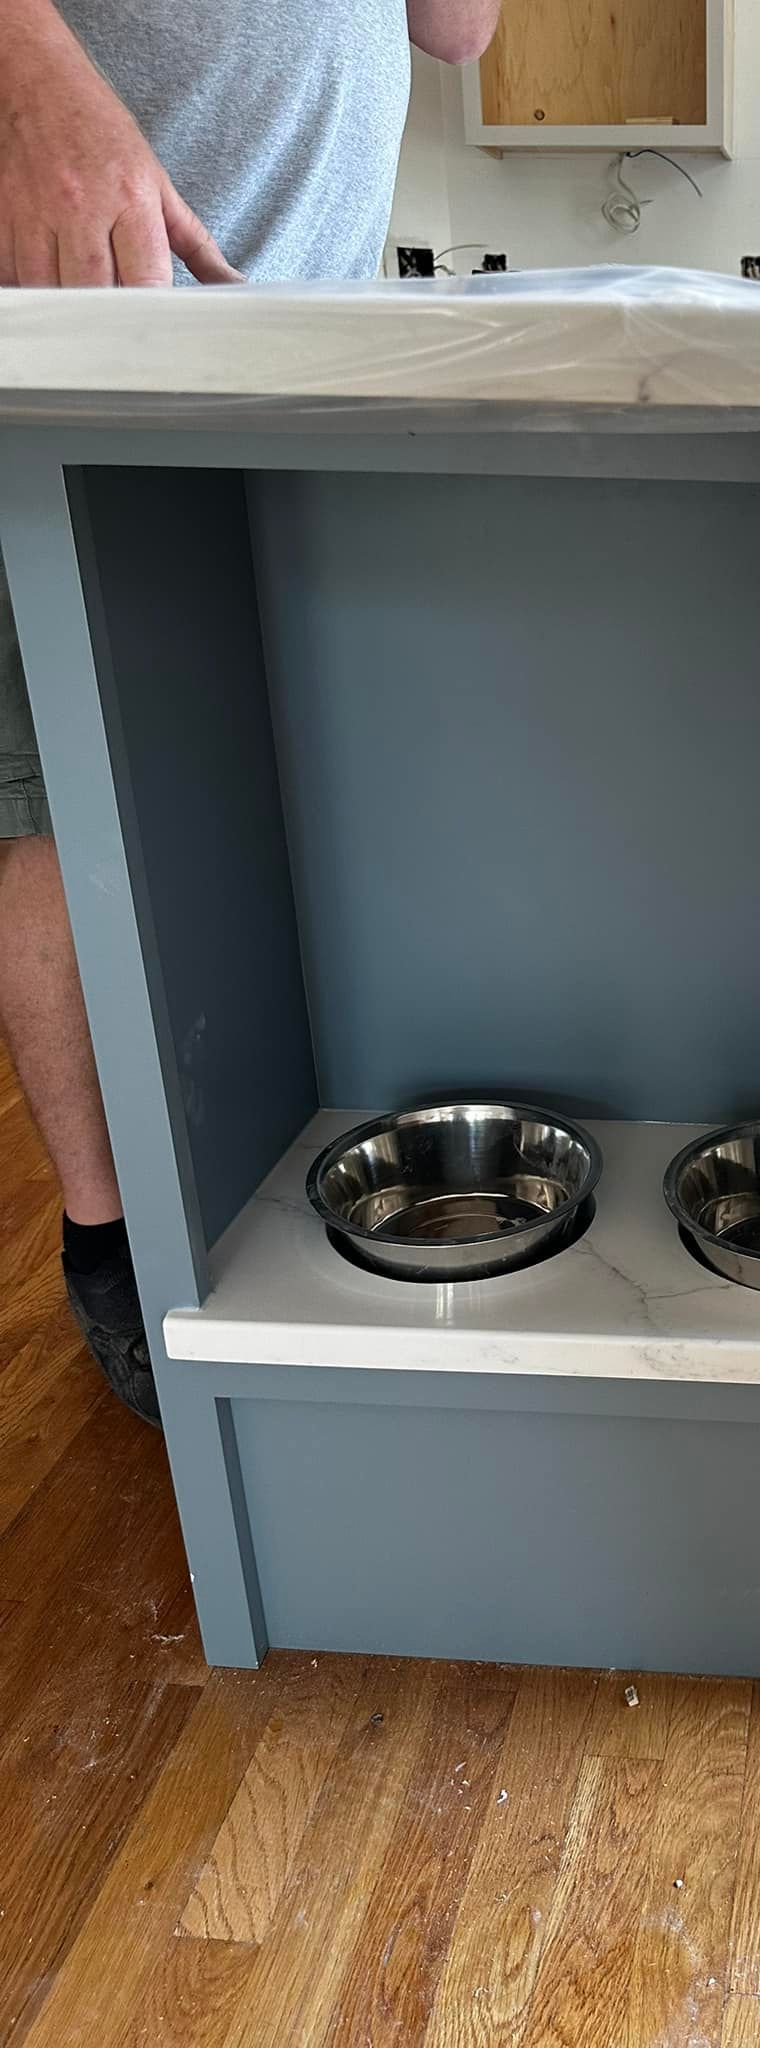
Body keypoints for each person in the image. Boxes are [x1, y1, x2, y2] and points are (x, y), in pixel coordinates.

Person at [0, 0, 499, 1425]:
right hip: (63, 311)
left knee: (285, 773)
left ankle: (281, 1172)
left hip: (295, 341)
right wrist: (29, 74)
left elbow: (457, 29)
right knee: (59, 797)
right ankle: (115, 1248)